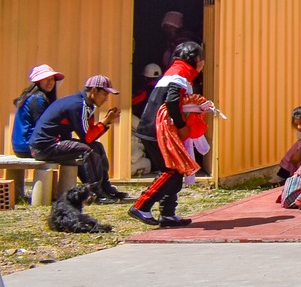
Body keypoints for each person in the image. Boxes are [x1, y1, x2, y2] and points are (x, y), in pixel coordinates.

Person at [131, 42, 207, 228]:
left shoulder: (174, 71)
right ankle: (142, 206)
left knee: (176, 170)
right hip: (159, 131)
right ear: (197, 60)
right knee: (172, 171)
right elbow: (172, 101)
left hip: (152, 129)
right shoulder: (181, 74)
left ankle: (168, 214)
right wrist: (181, 125)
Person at [28, 75, 121, 204]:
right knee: (87, 150)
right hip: (44, 146)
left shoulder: (86, 105)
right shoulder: (79, 105)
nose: (106, 99)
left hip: (53, 143)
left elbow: (90, 134)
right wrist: (106, 120)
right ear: (94, 91)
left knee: (97, 147)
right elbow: (88, 137)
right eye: (104, 94)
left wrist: (105, 123)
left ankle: (105, 188)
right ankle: (94, 193)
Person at [10, 65, 62, 157]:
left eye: (52, 79)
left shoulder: (32, 96)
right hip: (28, 146)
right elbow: (43, 126)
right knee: (75, 150)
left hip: (21, 146)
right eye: (46, 79)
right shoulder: (37, 98)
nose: (50, 82)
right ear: (38, 81)